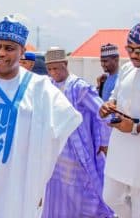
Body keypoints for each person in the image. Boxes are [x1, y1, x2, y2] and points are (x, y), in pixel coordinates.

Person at [0, 15, 82, 218]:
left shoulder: (40, 89)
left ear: (22, 52)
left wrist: (38, 181)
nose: (1, 53)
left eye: (9, 48)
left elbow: (65, 124)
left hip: (15, 184)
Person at [42, 47, 114, 217]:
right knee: (57, 192)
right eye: (50, 69)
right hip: (57, 151)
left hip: (78, 151)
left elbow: (101, 113)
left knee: (80, 192)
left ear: (66, 64)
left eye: (56, 68)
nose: (53, 73)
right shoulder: (49, 86)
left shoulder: (79, 87)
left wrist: (104, 143)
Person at [99, 19, 140, 218]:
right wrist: (108, 106)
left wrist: (135, 127)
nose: (134, 55)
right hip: (120, 145)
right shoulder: (127, 69)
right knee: (110, 197)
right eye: (130, 49)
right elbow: (115, 97)